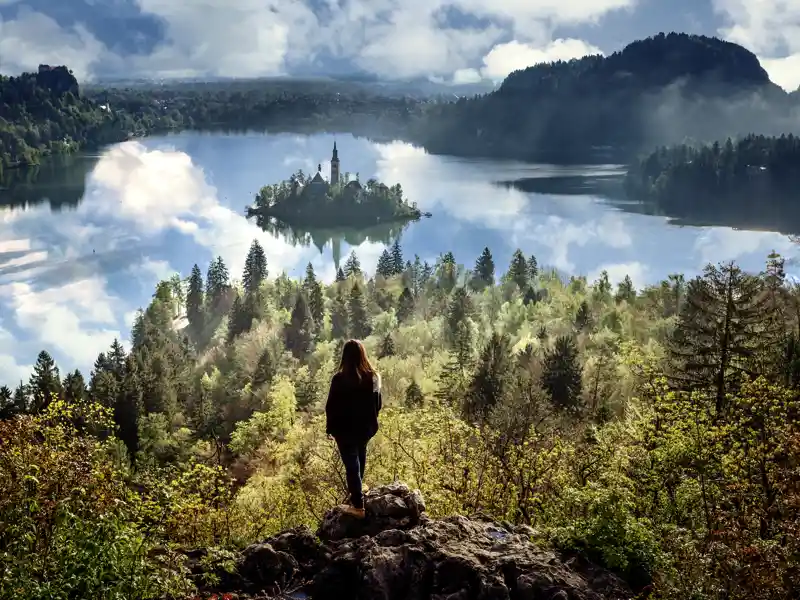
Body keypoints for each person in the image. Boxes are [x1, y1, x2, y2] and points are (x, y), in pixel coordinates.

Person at [325, 339, 382, 518]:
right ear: (362, 355)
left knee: (351, 465)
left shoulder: (339, 379)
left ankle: (358, 506)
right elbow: (378, 403)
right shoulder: (374, 377)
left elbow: (331, 406)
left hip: (344, 430)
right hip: (365, 428)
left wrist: (330, 428)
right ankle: (358, 494)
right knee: (359, 458)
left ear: (345, 357)